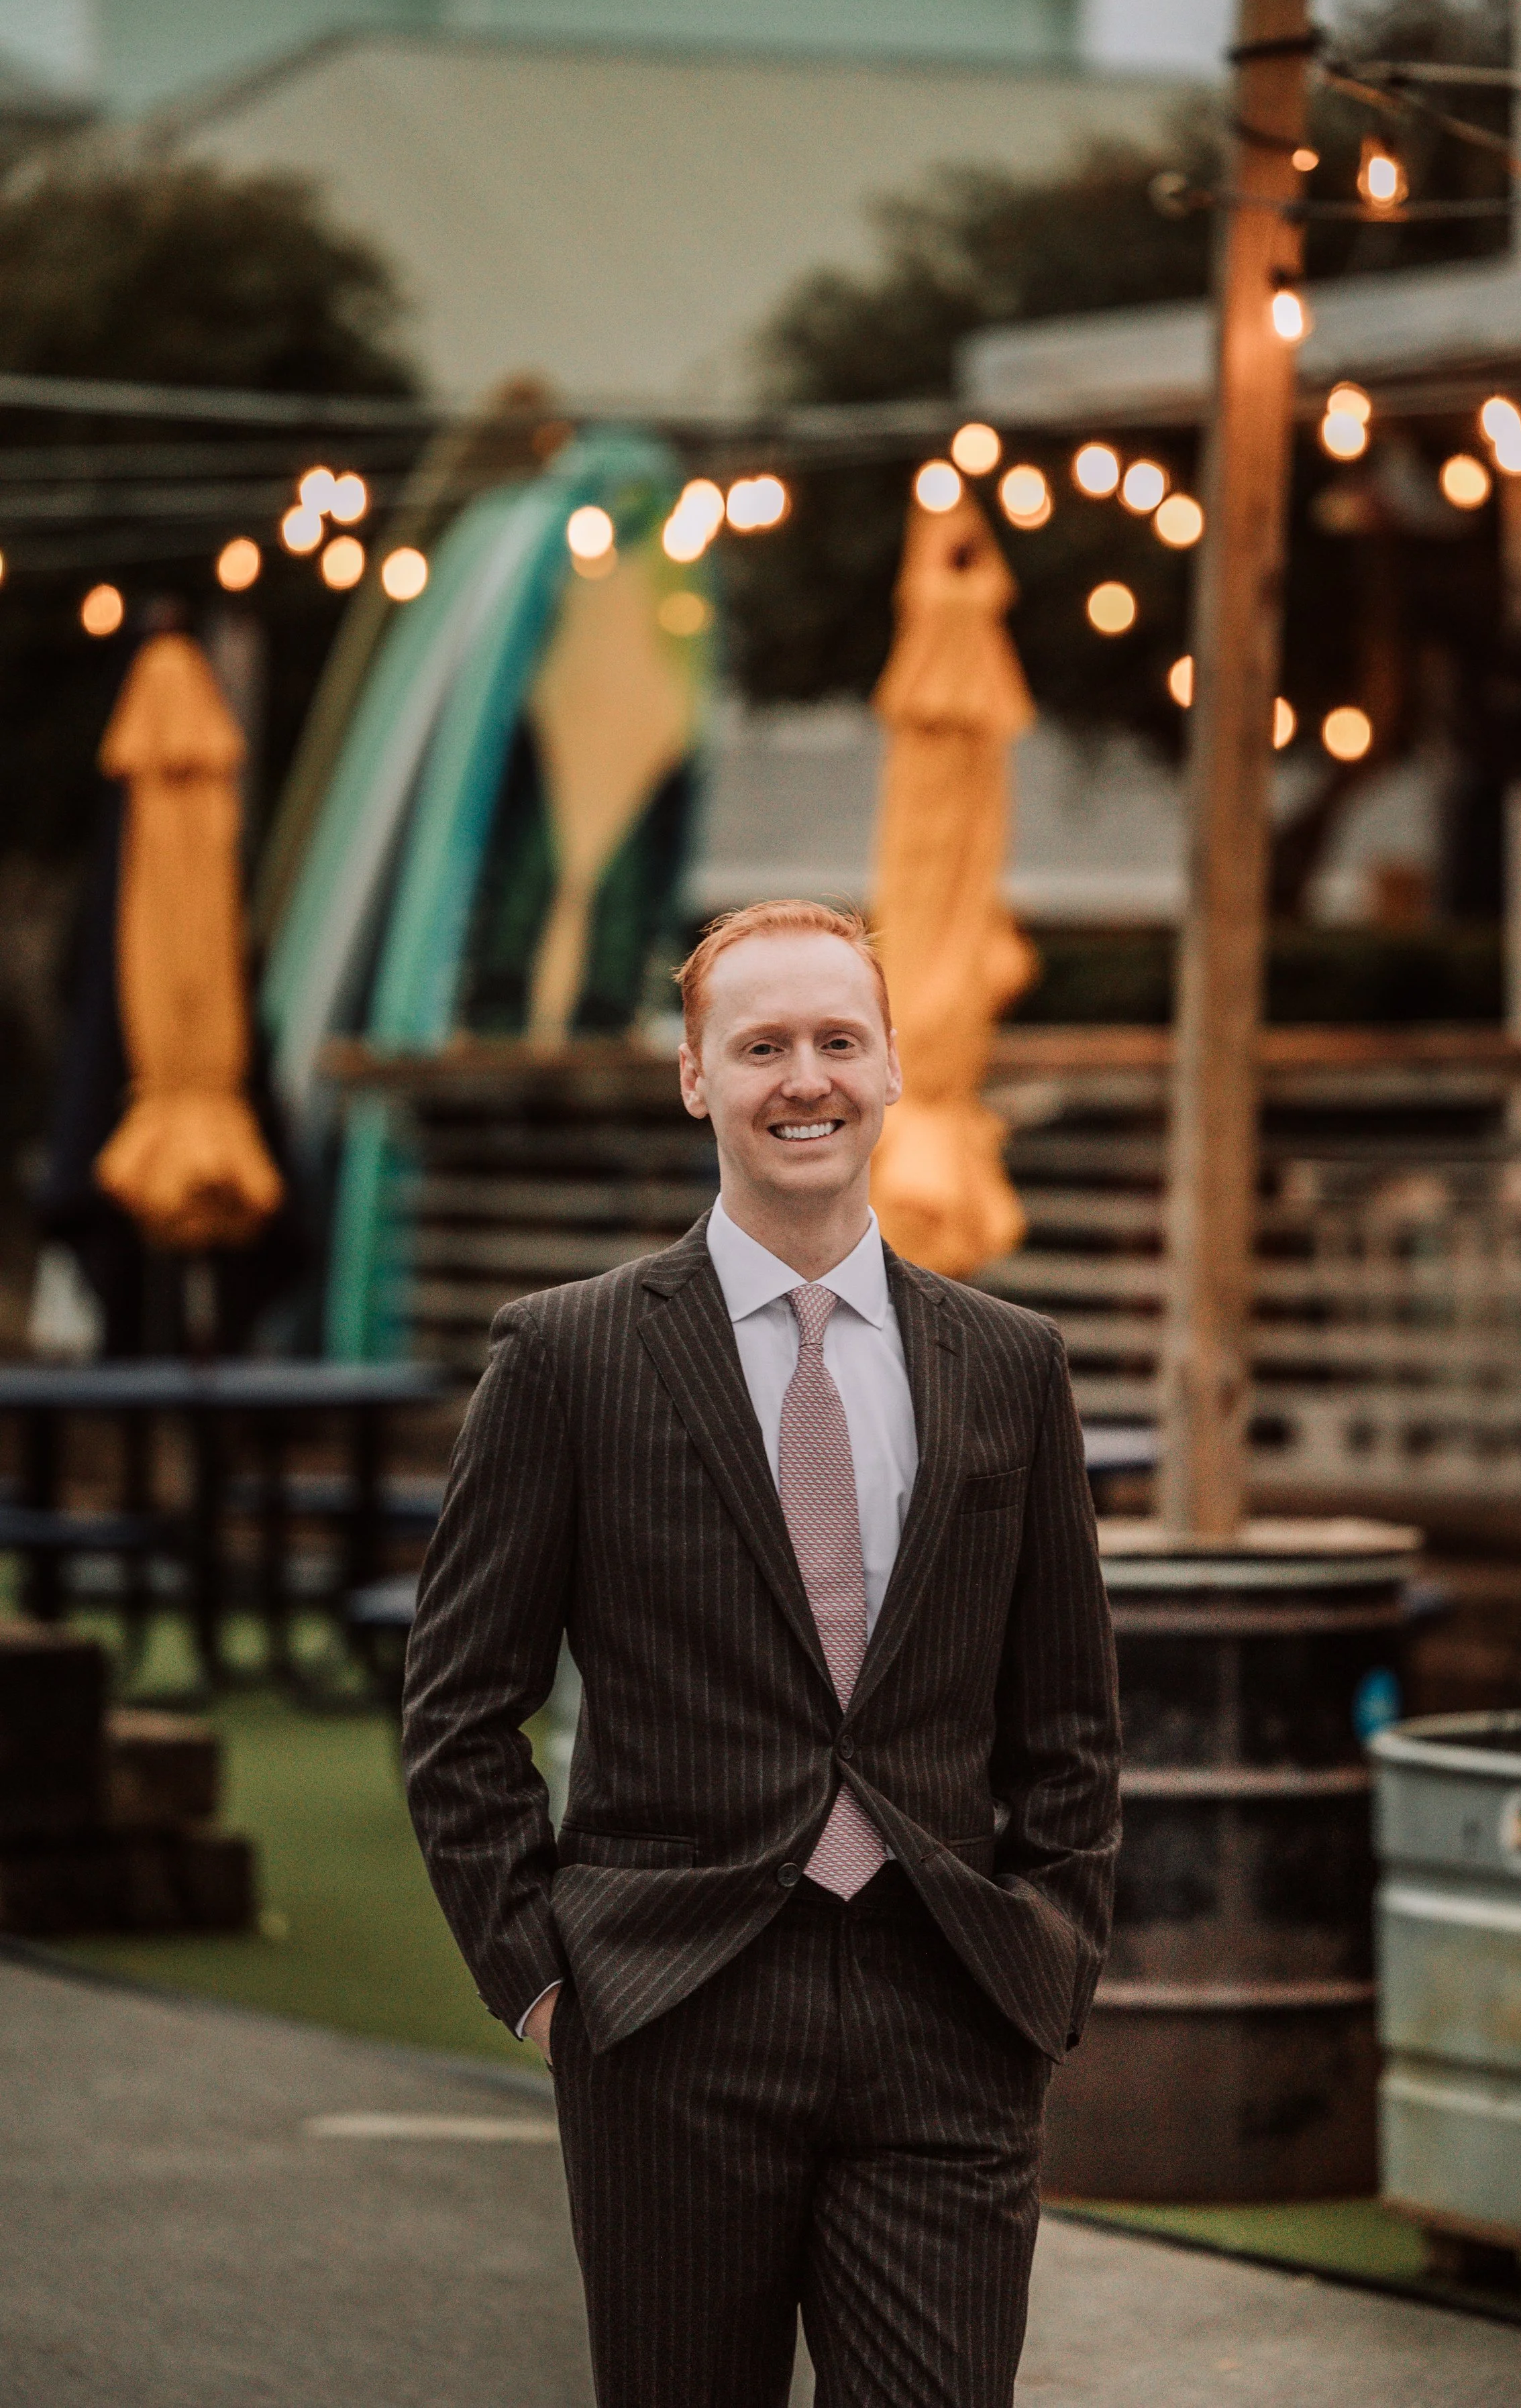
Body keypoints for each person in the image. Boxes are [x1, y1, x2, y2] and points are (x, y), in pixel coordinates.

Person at [403, 897, 1121, 2408]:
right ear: (694, 1079)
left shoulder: (1009, 1366)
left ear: (891, 1070)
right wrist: (539, 1980)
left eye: (837, 1041)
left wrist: (1048, 1948)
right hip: (670, 2014)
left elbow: (1067, 1715)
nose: (805, 1077)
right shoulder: (569, 1357)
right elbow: (461, 1707)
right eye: (762, 1046)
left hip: (947, 2008)